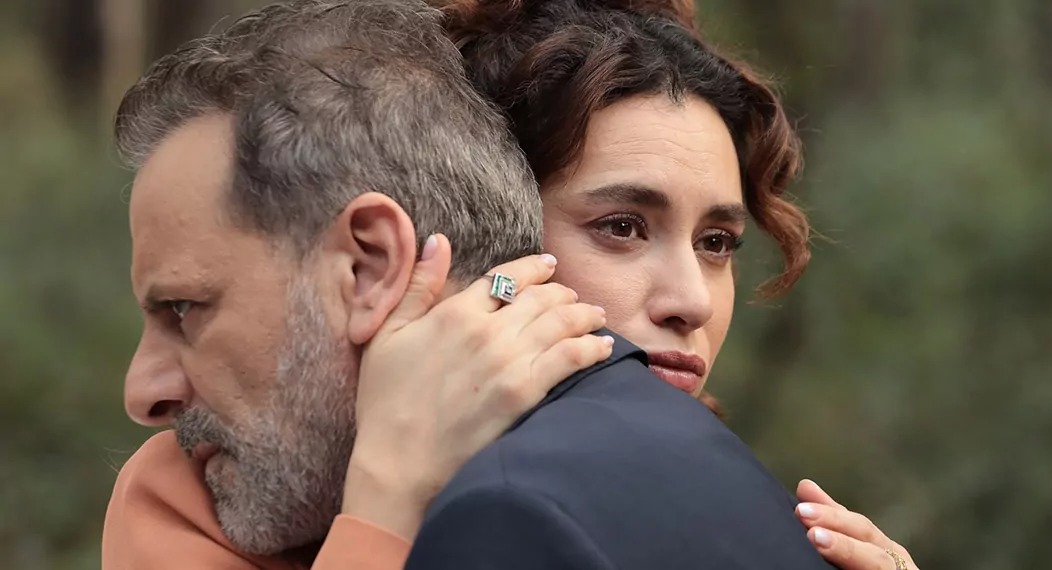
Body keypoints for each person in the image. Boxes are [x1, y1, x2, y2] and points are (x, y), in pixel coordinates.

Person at [102, 1, 919, 569]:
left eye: (717, 244)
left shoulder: (648, 488)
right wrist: (384, 499)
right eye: (621, 227)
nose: (692, 301)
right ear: (485, 233)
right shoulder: (201, 490)